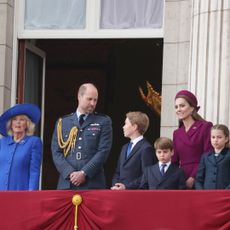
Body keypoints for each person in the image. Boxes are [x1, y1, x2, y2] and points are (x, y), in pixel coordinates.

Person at [51, 83, 112, 190]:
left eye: (95, 100)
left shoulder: (103, 121)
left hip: (93, 183)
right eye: (89, 99)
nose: (93, 103)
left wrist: (84, 172)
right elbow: (56, 151)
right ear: (79, 97)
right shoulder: (63, 122)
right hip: (67, 183)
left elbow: (103, 151)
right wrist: (69, 173)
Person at [172, 90, 213, 189]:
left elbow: (208, 154)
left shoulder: (205, 126)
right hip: (182, 179)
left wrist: (194, 177)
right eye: (176, 107)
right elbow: (174, 161)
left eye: (182, 106)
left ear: (192, 108)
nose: (178, 109)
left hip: (201, 176)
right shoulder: (177, 133)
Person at [0, 103, 42, 190]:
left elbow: (34, 172)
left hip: (21, 192)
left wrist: (31, 195)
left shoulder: (34, 142)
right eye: (14, 119)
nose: (18, 122)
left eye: (22, 120)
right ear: (10, 124)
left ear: (27, 124)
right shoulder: (2, 142)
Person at [111, 111, 157, 190]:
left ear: (134, 127)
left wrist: (126, 187)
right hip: (119, 193)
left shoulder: (146, 148)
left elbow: (146, 175)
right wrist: (115, 185)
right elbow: (118, 171)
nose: (123, 127)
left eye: (126, 124)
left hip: (134, 194)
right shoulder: (124, 147)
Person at [195, 124, 230, 189]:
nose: (215, 140)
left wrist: (226, 191)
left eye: (219, 137)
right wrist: (201, 192)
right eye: (213, 137)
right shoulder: (205, 156)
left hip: (225, 194)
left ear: (226, 139)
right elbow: (199, 179)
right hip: (207, 195)